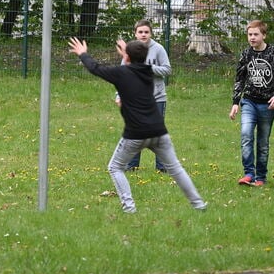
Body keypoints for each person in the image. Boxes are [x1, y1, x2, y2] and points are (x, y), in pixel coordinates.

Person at [69, 37, 206, 213]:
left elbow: (96, 68)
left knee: (115, 168)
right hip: (159, 131)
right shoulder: (148, 70)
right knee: (176, 169)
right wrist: (128, 54)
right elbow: (136, 65)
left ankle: (129, 208)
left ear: (126, 57)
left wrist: (83, 54)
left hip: (136, 134)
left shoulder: (121, 73)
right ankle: (199, 204)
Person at [229, 19, 274, 187]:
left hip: (267, 105)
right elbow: (239, 79)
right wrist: (235, 102)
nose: (252, 38)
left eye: (256, 34)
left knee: (262, 142)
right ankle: (249, 173)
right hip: (249, 102)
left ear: (264, 35)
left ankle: (261, 177)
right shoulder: (246, 54)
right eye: (250, 35)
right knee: (246, 134)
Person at [114, 19, 171, 172]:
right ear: (135, 34)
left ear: (150, 33)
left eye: (146, 32)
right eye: (140, 32)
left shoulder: (158, 49)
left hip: (156, 98)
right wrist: (119, 95)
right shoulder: (131, 50)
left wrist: (148, 68)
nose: (143, 34)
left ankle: (162, 166)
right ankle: (132, 166)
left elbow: (167, 70)